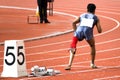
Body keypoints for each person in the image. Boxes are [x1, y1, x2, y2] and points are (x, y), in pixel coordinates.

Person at [65, 3, 102, 70]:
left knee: (73, 46)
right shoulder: (95, 17)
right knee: (92, 46)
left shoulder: (82, 15)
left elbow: (73, 23)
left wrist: (75, 32)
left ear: (87, 9)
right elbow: (99, 31)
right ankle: (92, 64)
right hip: (88, 32)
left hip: (79, 31)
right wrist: (97, 22)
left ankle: (69, 65)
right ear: (94, 10)